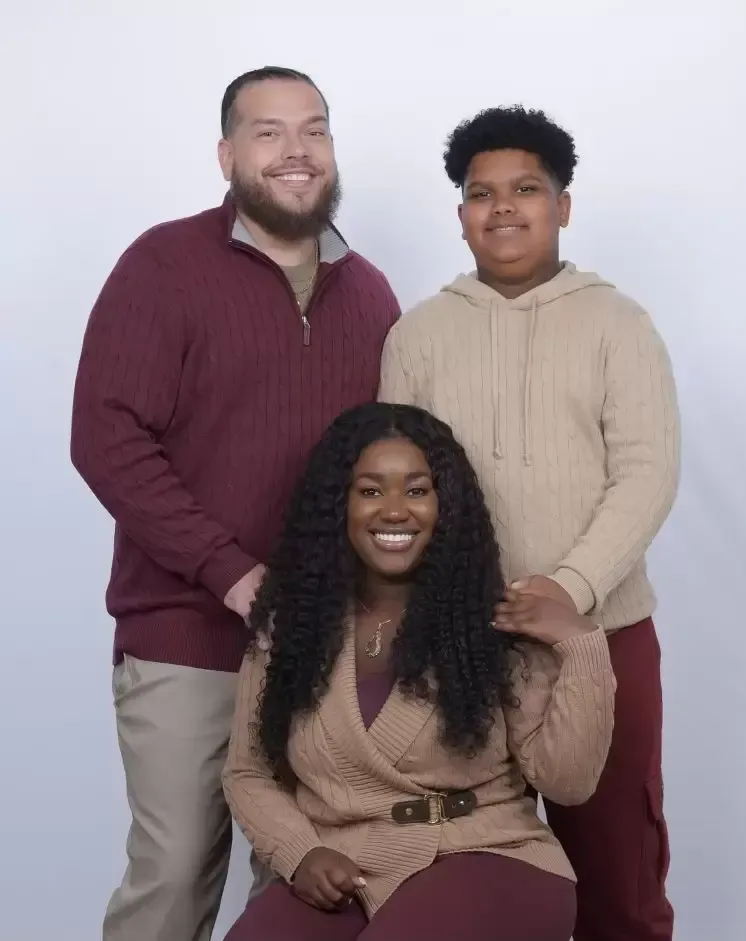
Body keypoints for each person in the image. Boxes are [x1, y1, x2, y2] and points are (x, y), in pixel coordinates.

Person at [70, 67, 400, 941]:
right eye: (269, 131)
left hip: (323, 651)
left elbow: (396, 474)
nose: (296, 151)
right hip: (188, 638)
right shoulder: (163, 265)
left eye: (315, 130)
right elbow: (106, 438)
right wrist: (230, 572)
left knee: (299, 891)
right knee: (174, 880)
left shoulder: (370, 293)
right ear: (227, 154)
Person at [378, 106, 680, 941]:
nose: (503, 208)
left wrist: (569, 589)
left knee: (618, 874)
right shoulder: (419, 333)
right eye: (482, 193)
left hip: (601, 637)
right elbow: (397, 486)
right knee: (473, 876)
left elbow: (648, 473)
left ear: (563, 206)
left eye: (525, 190)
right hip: (458, 645)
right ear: (461, 214)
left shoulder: (619, 323)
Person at [222, 402, 615, 941]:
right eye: (370, 490)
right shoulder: (294, 624)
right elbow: (249, 772)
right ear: (338, 504)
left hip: (489, 854)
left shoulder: (492, 621)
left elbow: (567, 783)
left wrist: (582, 643)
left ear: (444, 504)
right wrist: (299, 852)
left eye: (416, 490)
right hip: (346, 865)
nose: (394, 511)